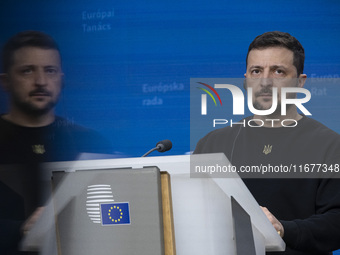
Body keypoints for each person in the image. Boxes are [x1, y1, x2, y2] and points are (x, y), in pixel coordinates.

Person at [194, 31, 340, 255]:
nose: (265, 81)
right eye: (256, 71)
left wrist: (283, 229)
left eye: (278, 71)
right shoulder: (213, 145)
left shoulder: (330, 146)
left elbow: (336, 221)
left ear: (300, 82)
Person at [0, 30, 112, 254]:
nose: (40, 81)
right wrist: (21, 231)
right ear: (6, 81)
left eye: (50, 71)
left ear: (61, 78)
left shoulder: (91, 143)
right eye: (27, 71)